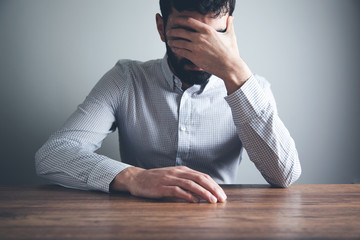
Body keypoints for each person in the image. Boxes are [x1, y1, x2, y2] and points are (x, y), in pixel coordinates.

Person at [35, 0, 301, 203]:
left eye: (213, 38)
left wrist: (237, 73)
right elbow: (52, 155)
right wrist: (134, 177)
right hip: (138, 222)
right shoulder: (126, 79)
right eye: (186, 36)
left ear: (229, 30)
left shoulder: (253, 89)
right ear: (161, 28)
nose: (199, 54)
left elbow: (284, 176)